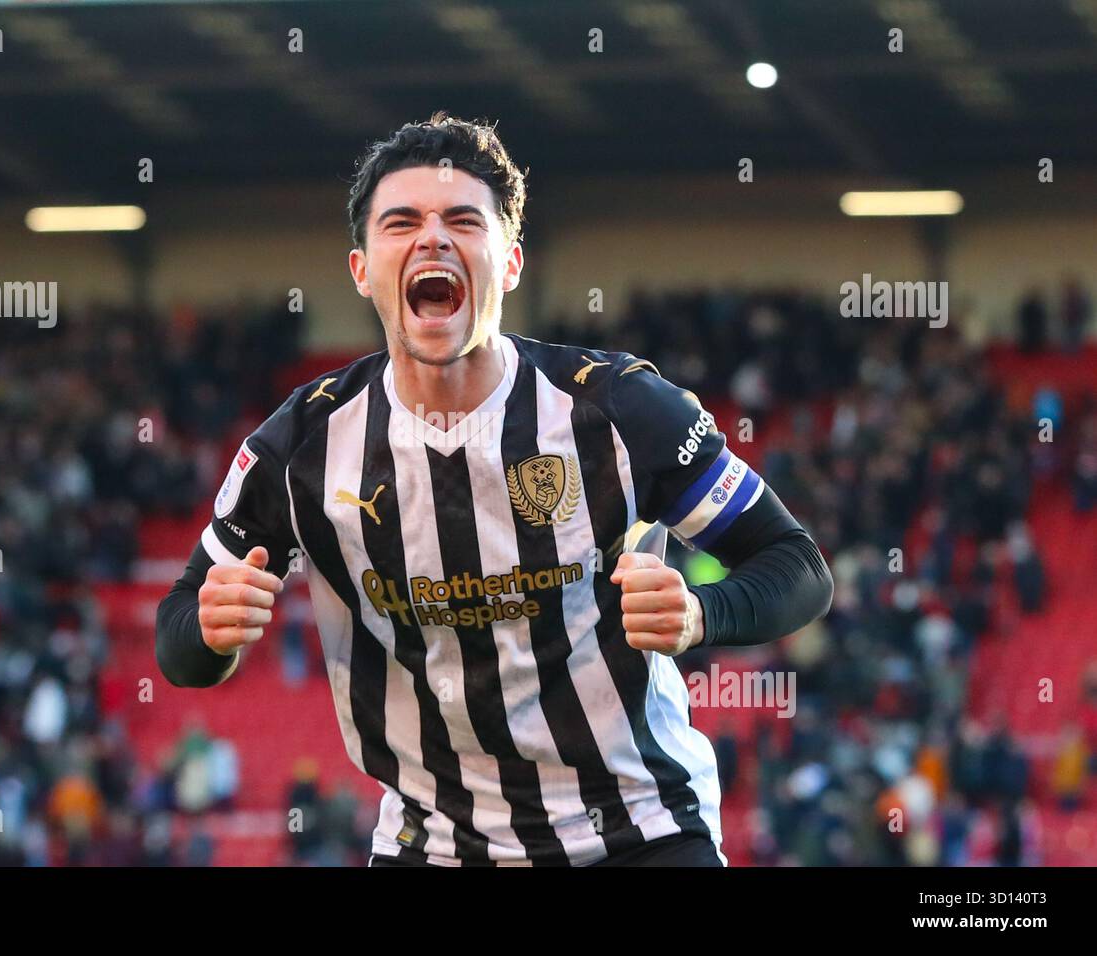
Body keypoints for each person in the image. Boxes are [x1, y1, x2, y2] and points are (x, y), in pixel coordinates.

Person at [156, 114, 833, 867]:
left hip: (638, 830)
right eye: (402, 222)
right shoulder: (301, 446)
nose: (432, 239)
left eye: (462, 221)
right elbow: (180, 633)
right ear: (360, 268)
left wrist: (702, 612)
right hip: (432, 843)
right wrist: (214, 636)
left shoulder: (619, 409)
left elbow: (797, 565)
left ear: (509, 262)